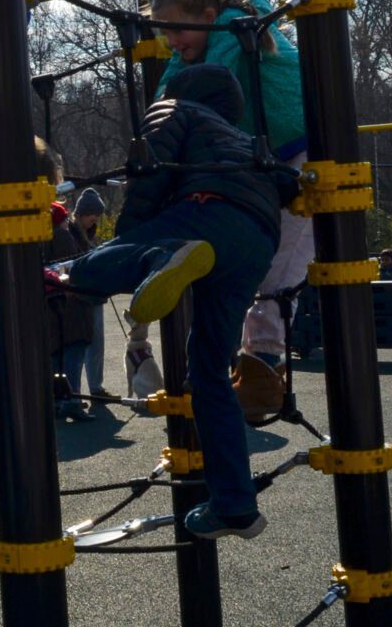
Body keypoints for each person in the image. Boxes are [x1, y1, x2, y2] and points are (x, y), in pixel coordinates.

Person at [68, 62, 300, 539]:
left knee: (85, 271)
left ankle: (164, 255)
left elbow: (151, 171)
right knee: (210, 374)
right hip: (256, 244)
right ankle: (235, 506)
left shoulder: (174, 108)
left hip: (203, 216)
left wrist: (128, 242)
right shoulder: (248, 140)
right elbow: (287, 185)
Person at [151, 0, 309, 417]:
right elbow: (171, 84)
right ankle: (238, 362)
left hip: (305, 148)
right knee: (247, 253)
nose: (171, 42)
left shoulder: (231, 29)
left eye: (177, 30)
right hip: (266, 156)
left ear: (206, 15)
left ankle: (262, 363)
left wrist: (161, 132)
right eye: (164, 33)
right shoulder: (213, 33)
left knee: (283, 259)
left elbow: (190, 89)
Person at [49, 186, 108, 420]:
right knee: (75, 350)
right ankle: (71, 399)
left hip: (60, 304)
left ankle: (61, 400)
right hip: (75, 302)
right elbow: (75, 266)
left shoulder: (67, 234)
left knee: (61, 353)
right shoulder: (64, 235)